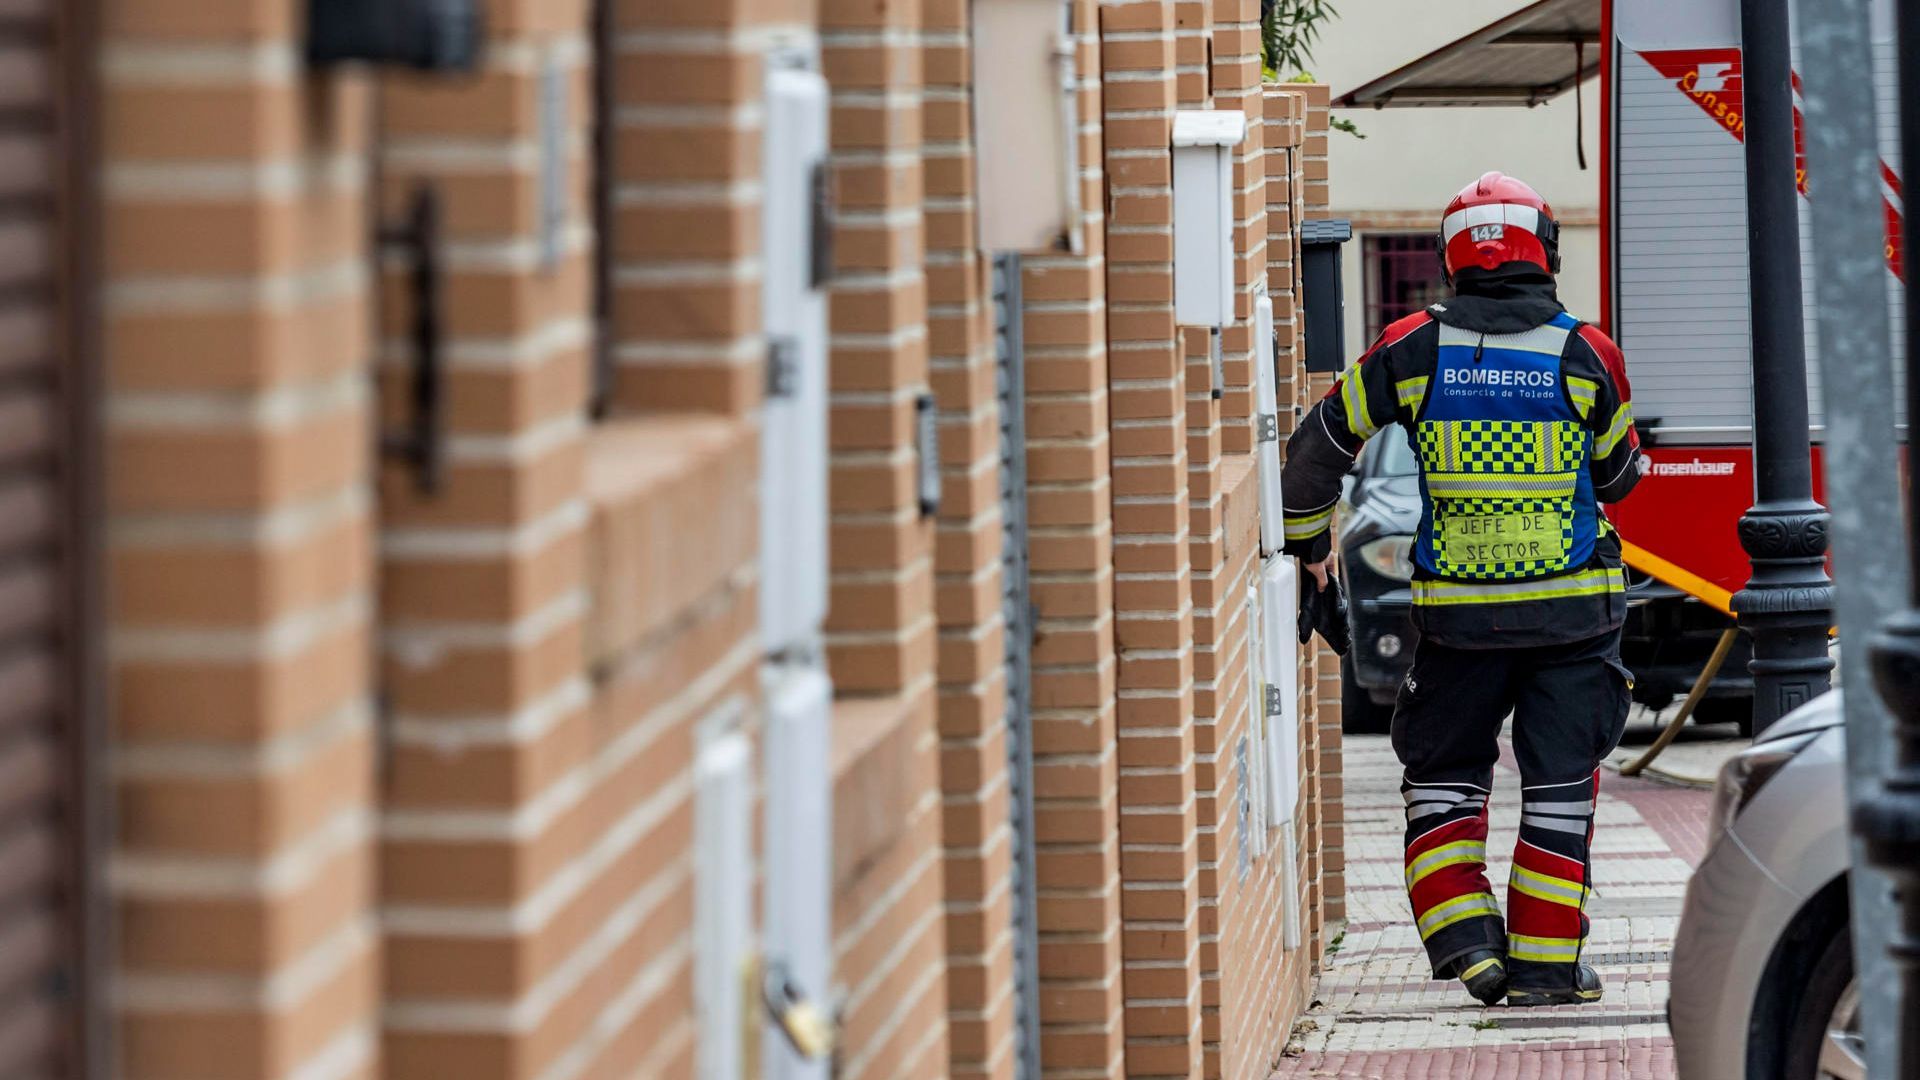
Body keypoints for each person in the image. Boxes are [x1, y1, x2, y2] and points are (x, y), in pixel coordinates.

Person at [1280, 172, 1646, 1008]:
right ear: (1544, 251)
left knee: (1443, 779)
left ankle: (1468, 944)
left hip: (1456, 628)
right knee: (1558, 791)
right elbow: (1621, 479)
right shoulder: (1588, 352)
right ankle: (1548, 967)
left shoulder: (1409, 347)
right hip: (1574, 622)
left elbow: (1312, 459)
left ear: (1452, 259)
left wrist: (1310, 553)